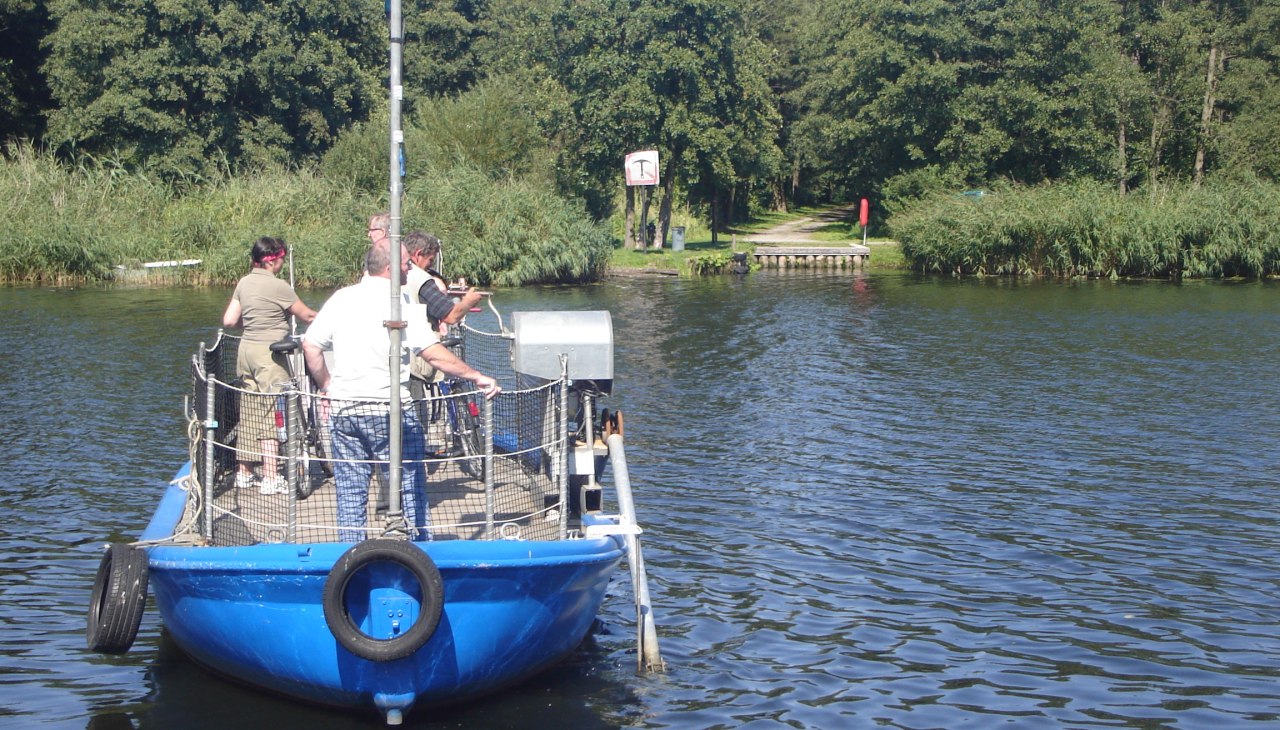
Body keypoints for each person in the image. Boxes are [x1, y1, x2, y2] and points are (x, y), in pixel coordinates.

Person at [302, 237, 501, 542]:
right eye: (407, 264)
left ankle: (350, 556)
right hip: (389, 411)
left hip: (345, 412)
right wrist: (476, 376)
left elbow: (310, 345)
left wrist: (327, 386)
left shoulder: (341, 298)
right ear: (392, 268)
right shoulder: (401, 303)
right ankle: (420, 549)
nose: (410, 269)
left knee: (351, 494)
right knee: (409, 486)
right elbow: (432, 352)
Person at [221, 237, 318, 495]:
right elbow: (306, 315)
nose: (283, 264)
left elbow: (229, 320)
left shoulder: (243, 282)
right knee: (272, 413)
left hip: (246, 352)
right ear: (272, 260)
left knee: (250, 412)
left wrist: (253, 323)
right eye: (282, 259)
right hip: (269, 356)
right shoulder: (279, 286)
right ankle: (271, 476)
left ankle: (244, 472)